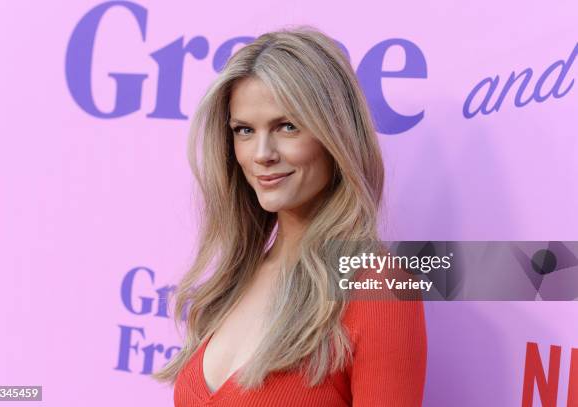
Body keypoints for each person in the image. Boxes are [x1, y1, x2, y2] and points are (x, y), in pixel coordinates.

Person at [152, 25, 427, 406]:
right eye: (244, 130)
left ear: (336, 136)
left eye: (287, 126)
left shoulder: (377, 285)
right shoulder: (237, 278)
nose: (262, 153)